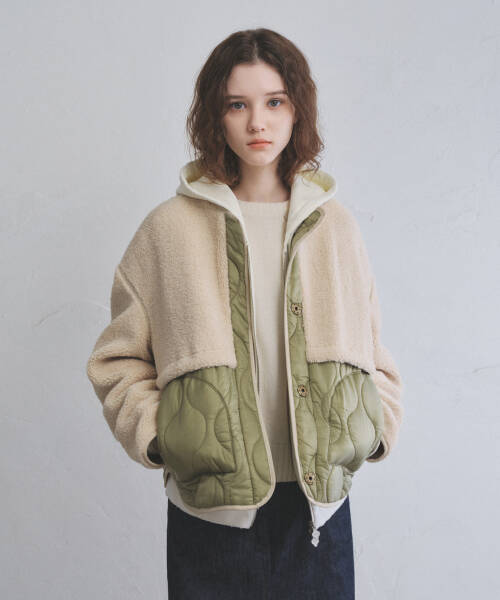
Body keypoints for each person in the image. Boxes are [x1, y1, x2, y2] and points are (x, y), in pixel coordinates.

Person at [86, 27, 403, 600]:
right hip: (209, 519)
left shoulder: (335, 227)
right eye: (238, 104)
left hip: (319, 517)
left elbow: (373, 352)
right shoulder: (168, 230)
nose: (258, 122)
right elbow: (116, 359)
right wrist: (162, 437)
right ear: (216, 115)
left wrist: (374, 430)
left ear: (297, 110)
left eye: (274, 101)